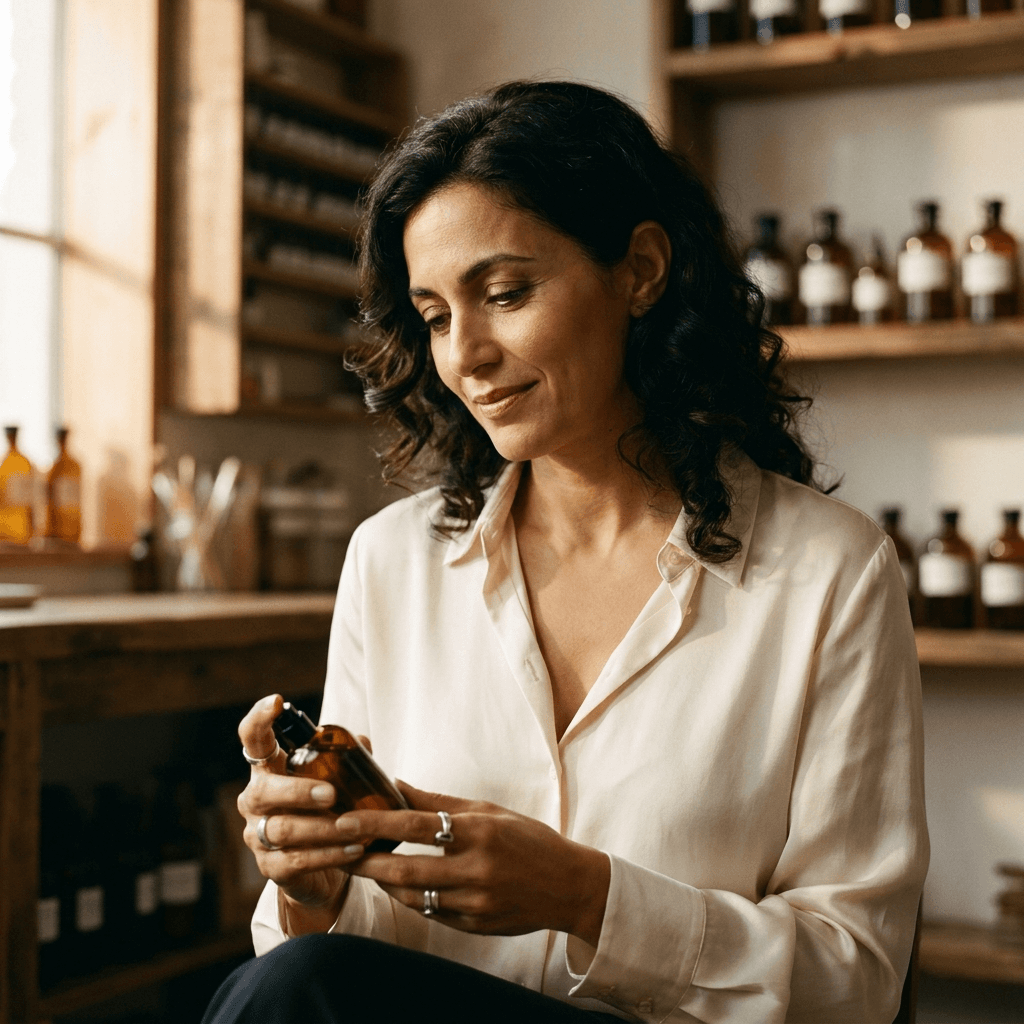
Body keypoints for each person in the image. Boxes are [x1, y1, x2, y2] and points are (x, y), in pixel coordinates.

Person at [206, 81, 928, 1024]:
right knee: (283, 984)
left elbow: (856, 980)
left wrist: (589, 900)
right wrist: (310, 882)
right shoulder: (392, 561)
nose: (465, 354)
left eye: (505, 294)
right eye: (433, 316)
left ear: (640, 270)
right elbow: (337, 963)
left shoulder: (833, 572)